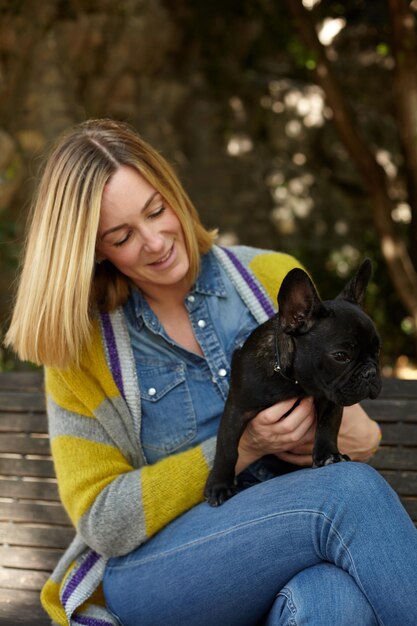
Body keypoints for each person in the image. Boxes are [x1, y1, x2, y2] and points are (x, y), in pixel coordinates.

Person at [5, 118, 417, 626]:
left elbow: (362, 435)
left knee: (333, 601)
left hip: (283, 548)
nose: (156, 242)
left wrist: (349, 431)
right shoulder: (80, 349)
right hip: (156, 574)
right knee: (349, 494)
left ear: (173, 192)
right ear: (93, 250)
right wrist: (245, 446)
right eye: (123, 235)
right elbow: (102, 520)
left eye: (157, 210)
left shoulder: (268, 277)